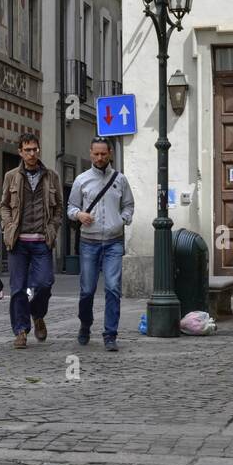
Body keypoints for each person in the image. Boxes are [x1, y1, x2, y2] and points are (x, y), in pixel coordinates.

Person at [68, 137, 134, 351]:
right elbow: (70, 208)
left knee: (113, 288)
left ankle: (110, 334)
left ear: (110, 154)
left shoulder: (120, 179)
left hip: (114, 242)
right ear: (90, 154)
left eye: (103, 154)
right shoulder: (81, 180)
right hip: (89, 242)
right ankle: (85, 324)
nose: (99, 158)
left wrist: (122, 219)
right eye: (96, 154)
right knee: (87, 290)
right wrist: (79, 215)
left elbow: (128, 205)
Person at [0, 133, 63, 348]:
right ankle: (20, 331)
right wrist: (8, 226)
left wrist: (52, 228)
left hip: (42, 241)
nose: (32, 153)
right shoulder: (11, 176)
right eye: (27, 150)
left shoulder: (51, 176)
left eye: (34, 149)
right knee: (18, 289)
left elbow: (59, 208)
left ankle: (37, 314)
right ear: (20, 152)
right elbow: (4, 205)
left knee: (45, 283)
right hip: (18, 241)